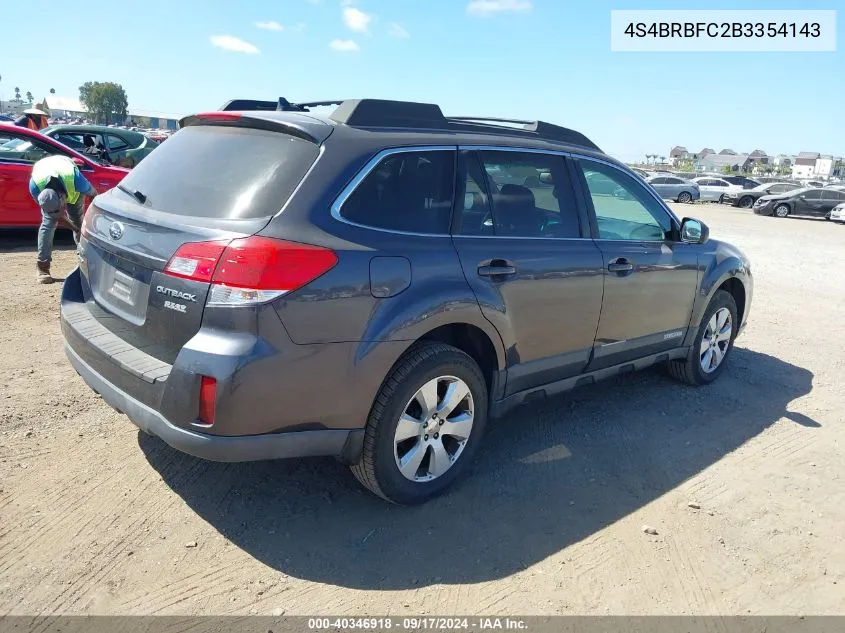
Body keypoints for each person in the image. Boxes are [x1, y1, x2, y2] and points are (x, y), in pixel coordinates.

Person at [29, 155, 97, 284]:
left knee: (77, 219)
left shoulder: (78, 182)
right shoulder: (35, 188)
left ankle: (86, 260)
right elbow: (57, 216)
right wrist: (75, 229)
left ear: (62, 197)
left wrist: (79, 227)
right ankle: (42, 267)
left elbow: (94, 194)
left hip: (65, 171)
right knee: (48, 223)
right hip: (45, 172)